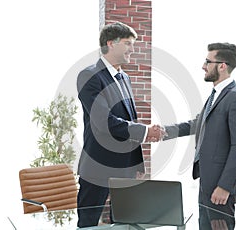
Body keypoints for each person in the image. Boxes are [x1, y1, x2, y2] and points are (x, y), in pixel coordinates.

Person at [76, 21, 165, 228]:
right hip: (97, 167)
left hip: (126, 169)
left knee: (125, 224)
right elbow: (104, 122)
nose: (132, 49)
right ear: (111, 43)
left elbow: (128, 121)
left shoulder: (124, 77)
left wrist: (136, 163)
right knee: (88, 224)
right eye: (127, 43)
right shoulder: (89, 75)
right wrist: (145, 131)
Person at [164, 42, 236, 229]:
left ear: (222, 66)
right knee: (205, 226)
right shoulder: (216, 95)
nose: (203, 66)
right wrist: (163, 132)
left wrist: (225, 186)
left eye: (207, 61)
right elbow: (197, 124)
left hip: (220, 188)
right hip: (208, 181)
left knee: (217, 228)